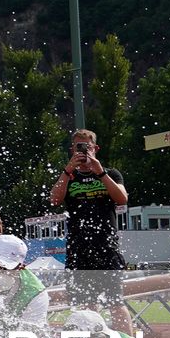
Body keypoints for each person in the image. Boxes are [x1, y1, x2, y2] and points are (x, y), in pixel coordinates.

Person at [50, 129, 130, 325]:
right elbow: (54, 200)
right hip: (79, 249)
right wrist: (68, 170)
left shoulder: (110, 173)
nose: (84, 152)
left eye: (87, 147)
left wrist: (100, 172)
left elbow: (122, 199)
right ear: (72, 150)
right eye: (79, 147)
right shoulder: (69, 176)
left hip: (106, 246)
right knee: (86, 305)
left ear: (96, 148)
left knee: (116, 303)